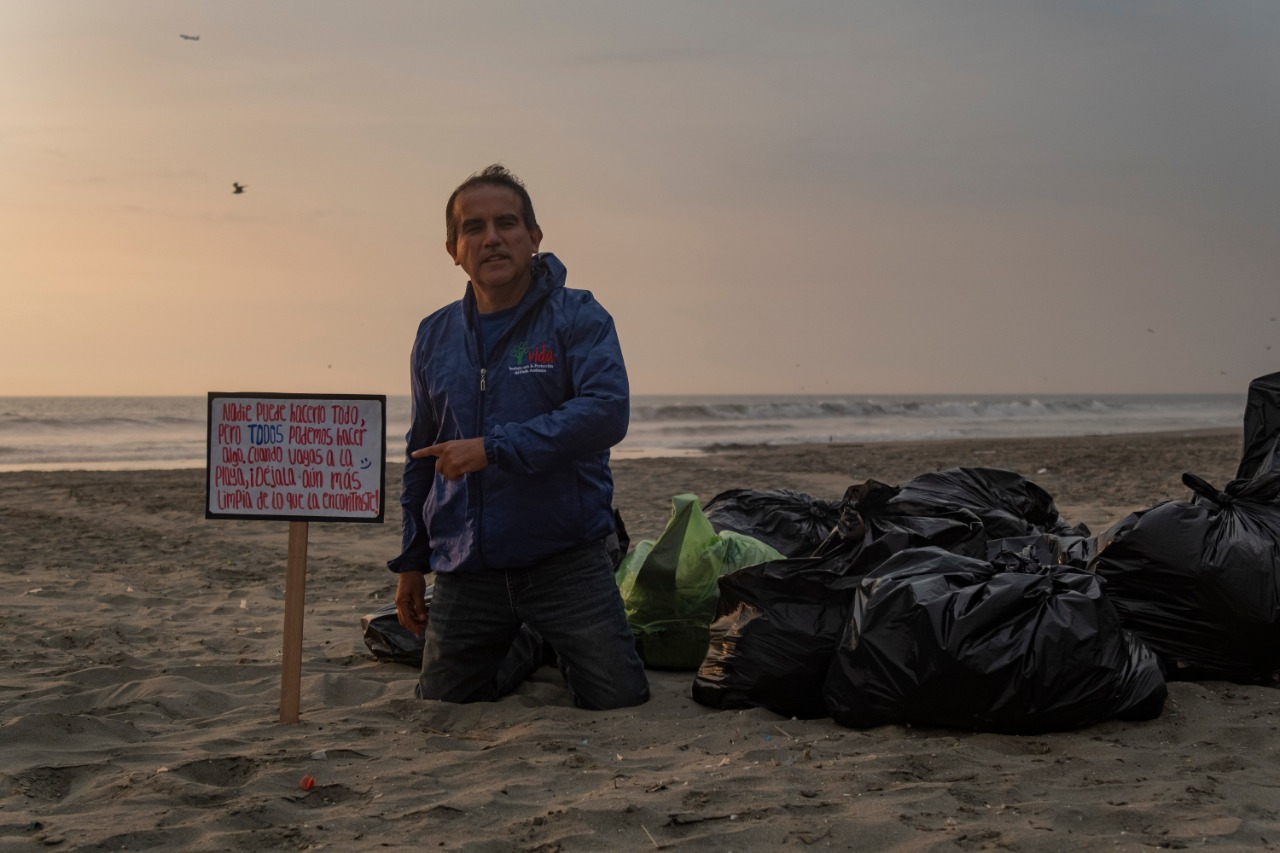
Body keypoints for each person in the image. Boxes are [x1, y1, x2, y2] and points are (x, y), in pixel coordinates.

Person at [387, 164, 650, 710]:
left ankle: (544, 633)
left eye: (506, 223)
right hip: (468, 565)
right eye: (473, 228)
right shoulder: (434, 335)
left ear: (534, 237)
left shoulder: (577, 315)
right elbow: (421, 453)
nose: (492, 238)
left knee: (618, 699)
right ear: (453, 249)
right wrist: (412, 561)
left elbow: (606, 412)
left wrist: (494, 447)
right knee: (445, 702)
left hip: (566, 558)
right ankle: (530, 643)